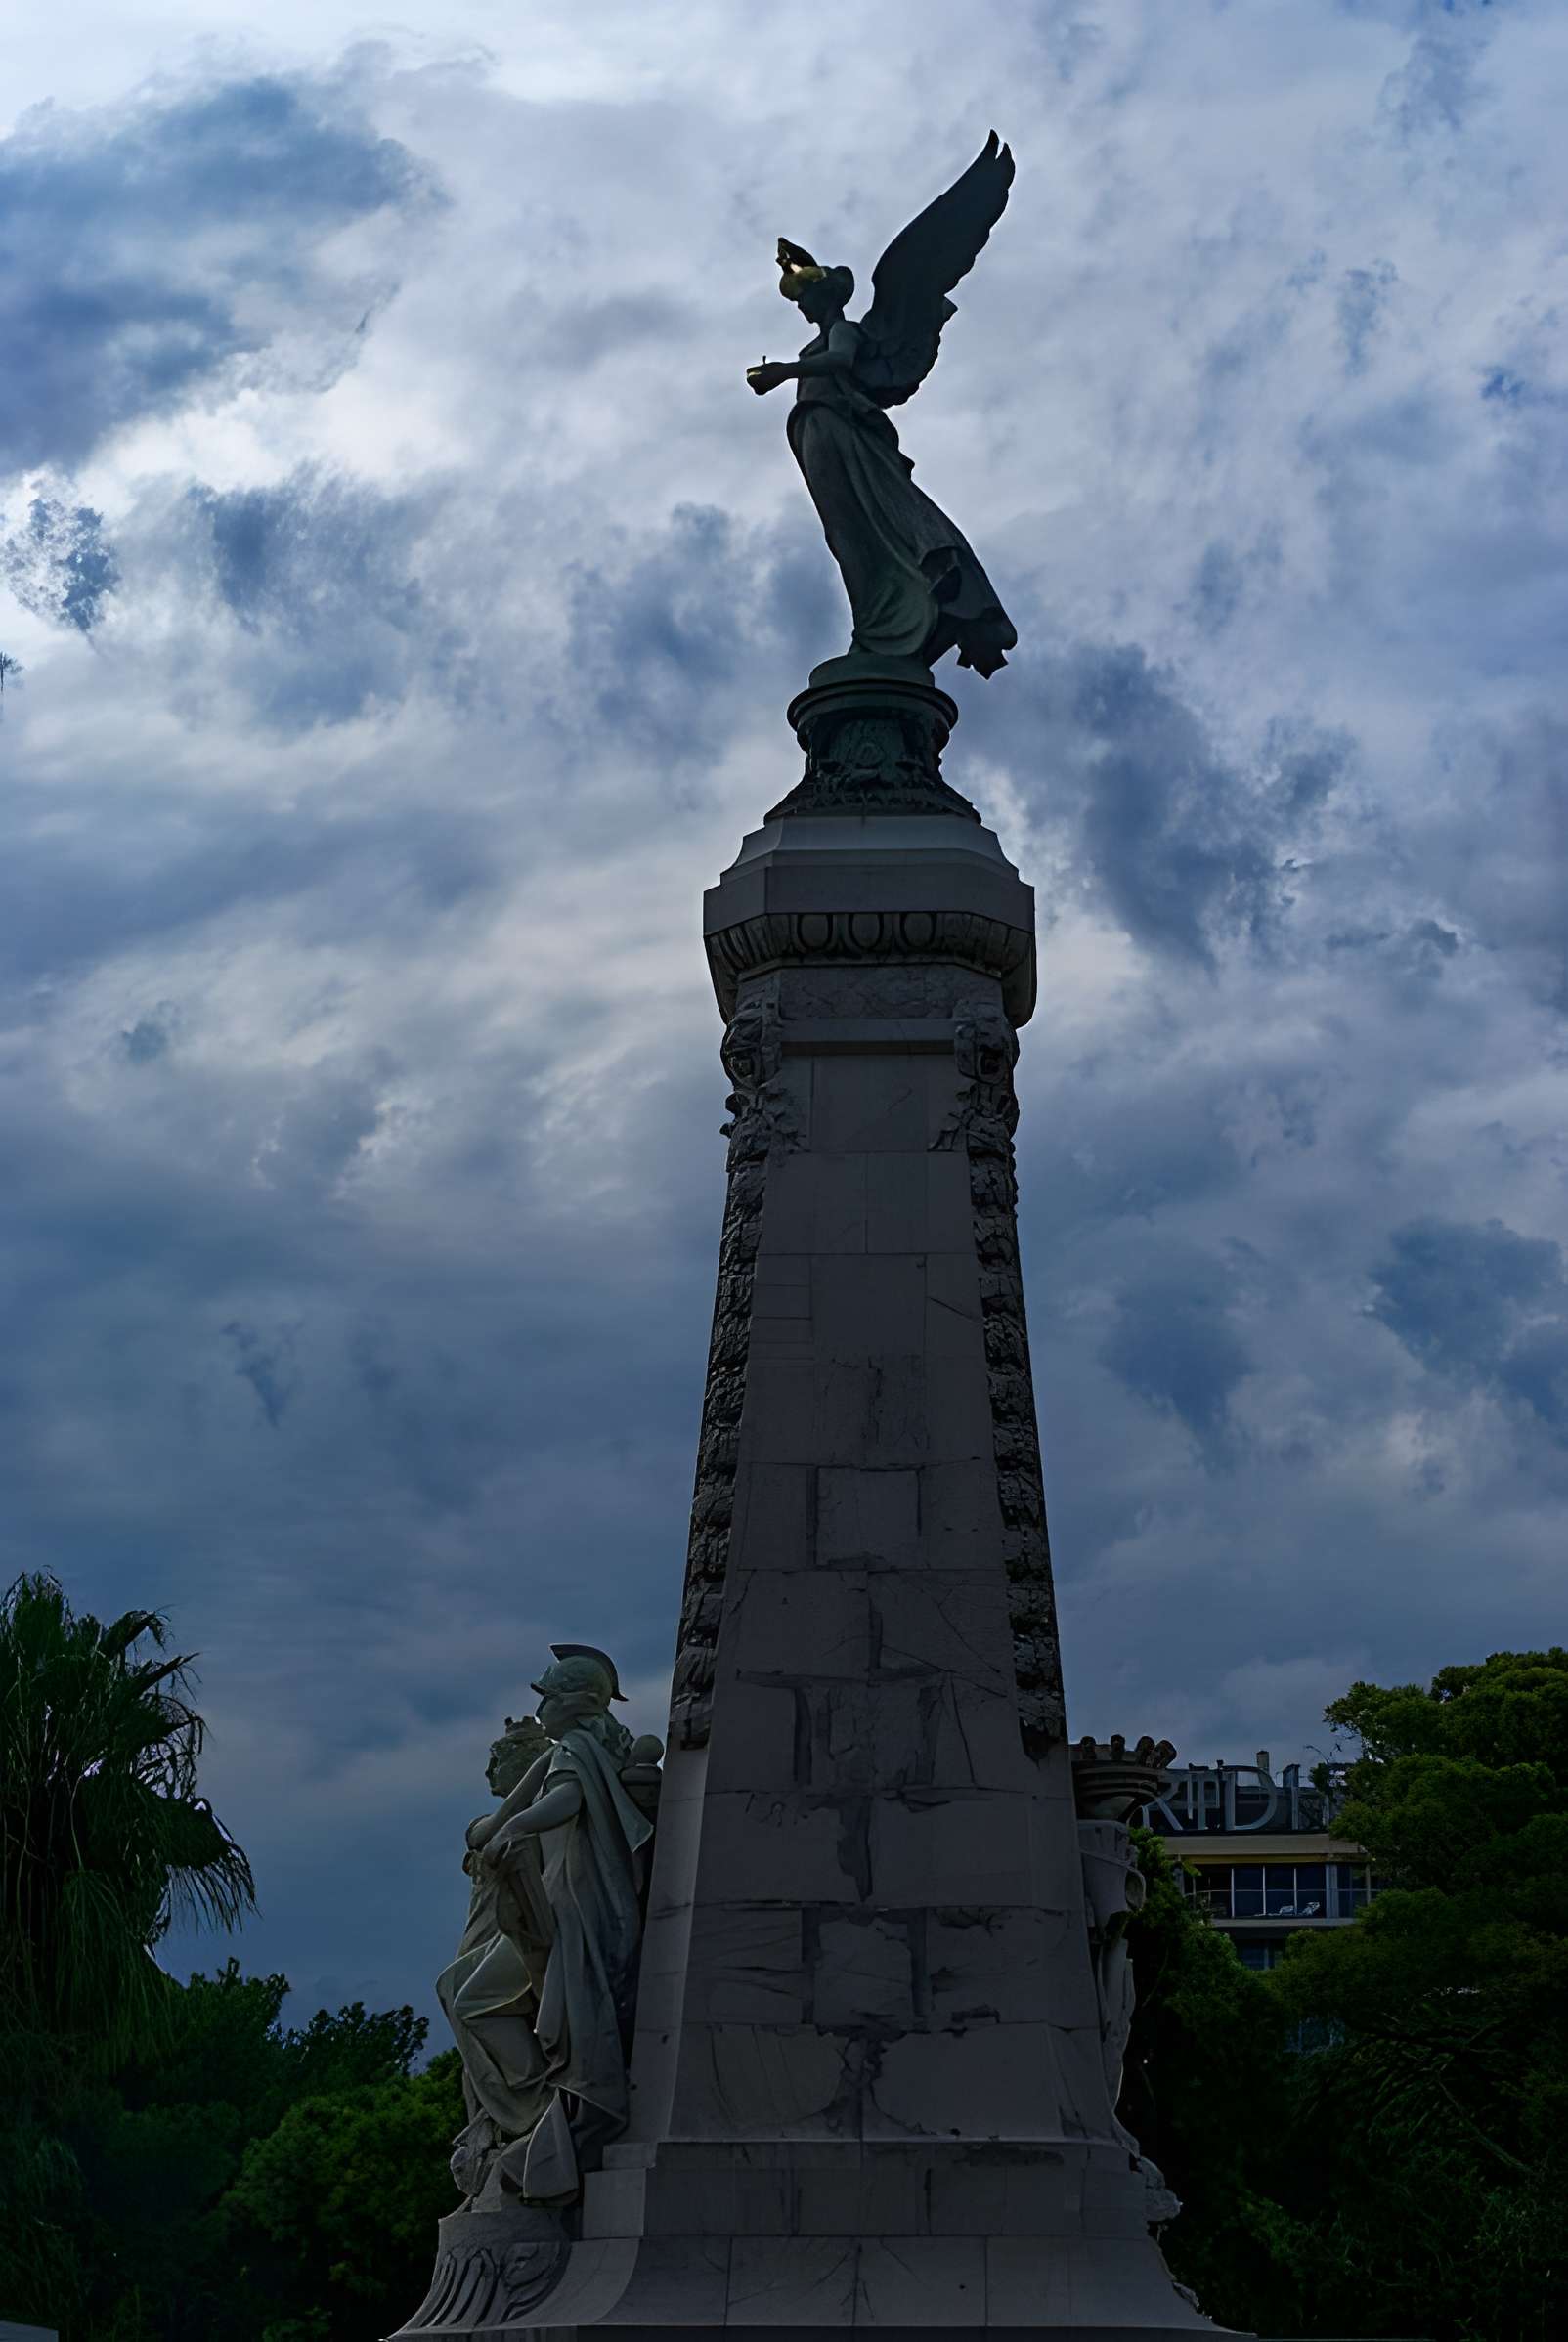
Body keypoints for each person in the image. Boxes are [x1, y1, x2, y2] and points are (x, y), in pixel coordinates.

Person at [437, 1647, 661, 2203]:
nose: (542, 1711)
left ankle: (539, 2110)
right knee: (458, 1992)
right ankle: (533, 2110)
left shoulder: (581, 1749)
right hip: (560, 1903)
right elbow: (510, 1808)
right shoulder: (572, 1748)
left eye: (550, 1697)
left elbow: (565, 1799)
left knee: (470, 2001)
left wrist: (513, 1832)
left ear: (580, 1702)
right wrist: (492, 1828)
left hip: (572, 1907)